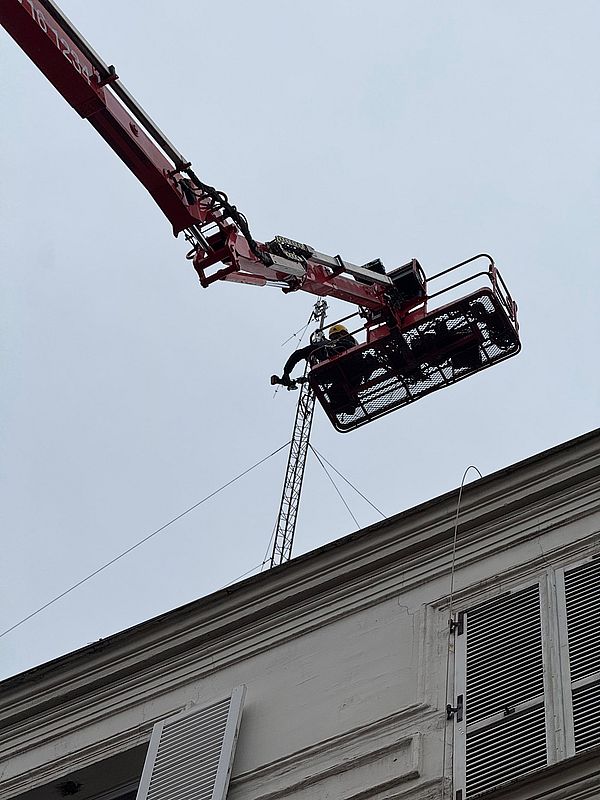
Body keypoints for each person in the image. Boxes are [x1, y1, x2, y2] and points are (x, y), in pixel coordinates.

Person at [271, 324, 358, 388]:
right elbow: (323, 378)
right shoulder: (333, 346)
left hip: (348, 369)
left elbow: (299, 354)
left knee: (310, 353)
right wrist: (306, 379)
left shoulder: (345, 344)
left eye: (337, 335)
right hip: (346, 374)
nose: (335, 339)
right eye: (333, 337)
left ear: (343, 333)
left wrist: (286, 372)